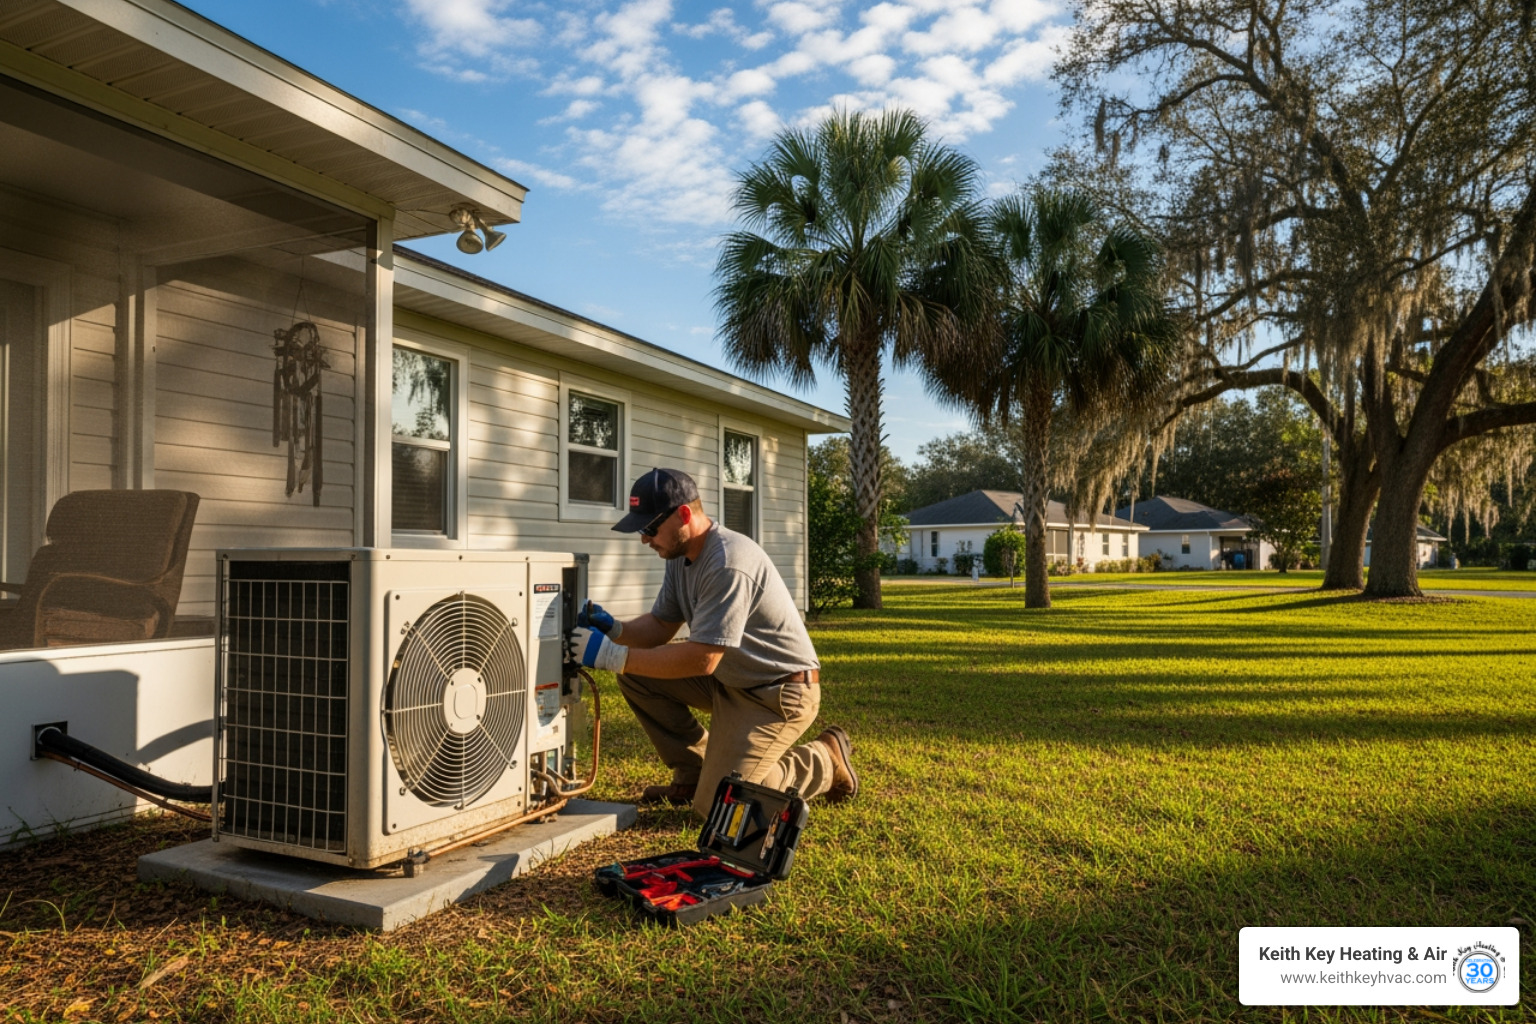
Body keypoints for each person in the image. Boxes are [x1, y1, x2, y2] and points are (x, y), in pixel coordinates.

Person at [567, 467, 858, 817]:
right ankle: (693, 773)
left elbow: (702, 659)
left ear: (684, 515)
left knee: (719, 808)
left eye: (649, 528)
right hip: (731, 678)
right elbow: (661, 626)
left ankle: (823, 759)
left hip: (778, 693)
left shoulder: (728, 562)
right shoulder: (681, 556)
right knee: (636, 675)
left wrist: (612, 655)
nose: (645, 539)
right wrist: (615, 629)